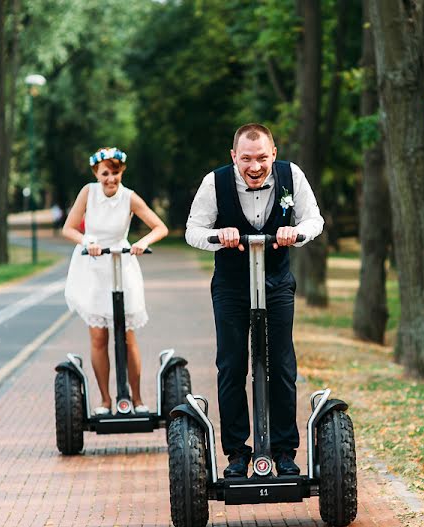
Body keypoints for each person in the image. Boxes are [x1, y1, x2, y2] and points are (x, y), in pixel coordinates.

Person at [185, 123, 324, 478]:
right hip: (232, 285)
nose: (255, 166)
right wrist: (219, 234)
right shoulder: (214, 183)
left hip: (276, 281)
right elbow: (193, 231)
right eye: (246, 159)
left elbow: (314, 219)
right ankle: (236, 454)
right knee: (232, 366)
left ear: (273, 154)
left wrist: (298, 231)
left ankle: (283, 451)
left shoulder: (290, 175)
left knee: (281, 365)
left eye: (262, 157)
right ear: (234, 157)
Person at [62, 147, 168, 415]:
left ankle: (137, 399)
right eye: (105, 173)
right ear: (96, 173)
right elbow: (69, 228)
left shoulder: (129, 198)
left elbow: (160, 227)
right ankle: (106, 401)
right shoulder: (88, 193)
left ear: (122, 172)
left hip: (122, 262)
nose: (111, 178)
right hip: (93, 264)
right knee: (98, 337)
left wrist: (142, 242)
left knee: (127, 336)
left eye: (116, 172)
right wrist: (88, 241)